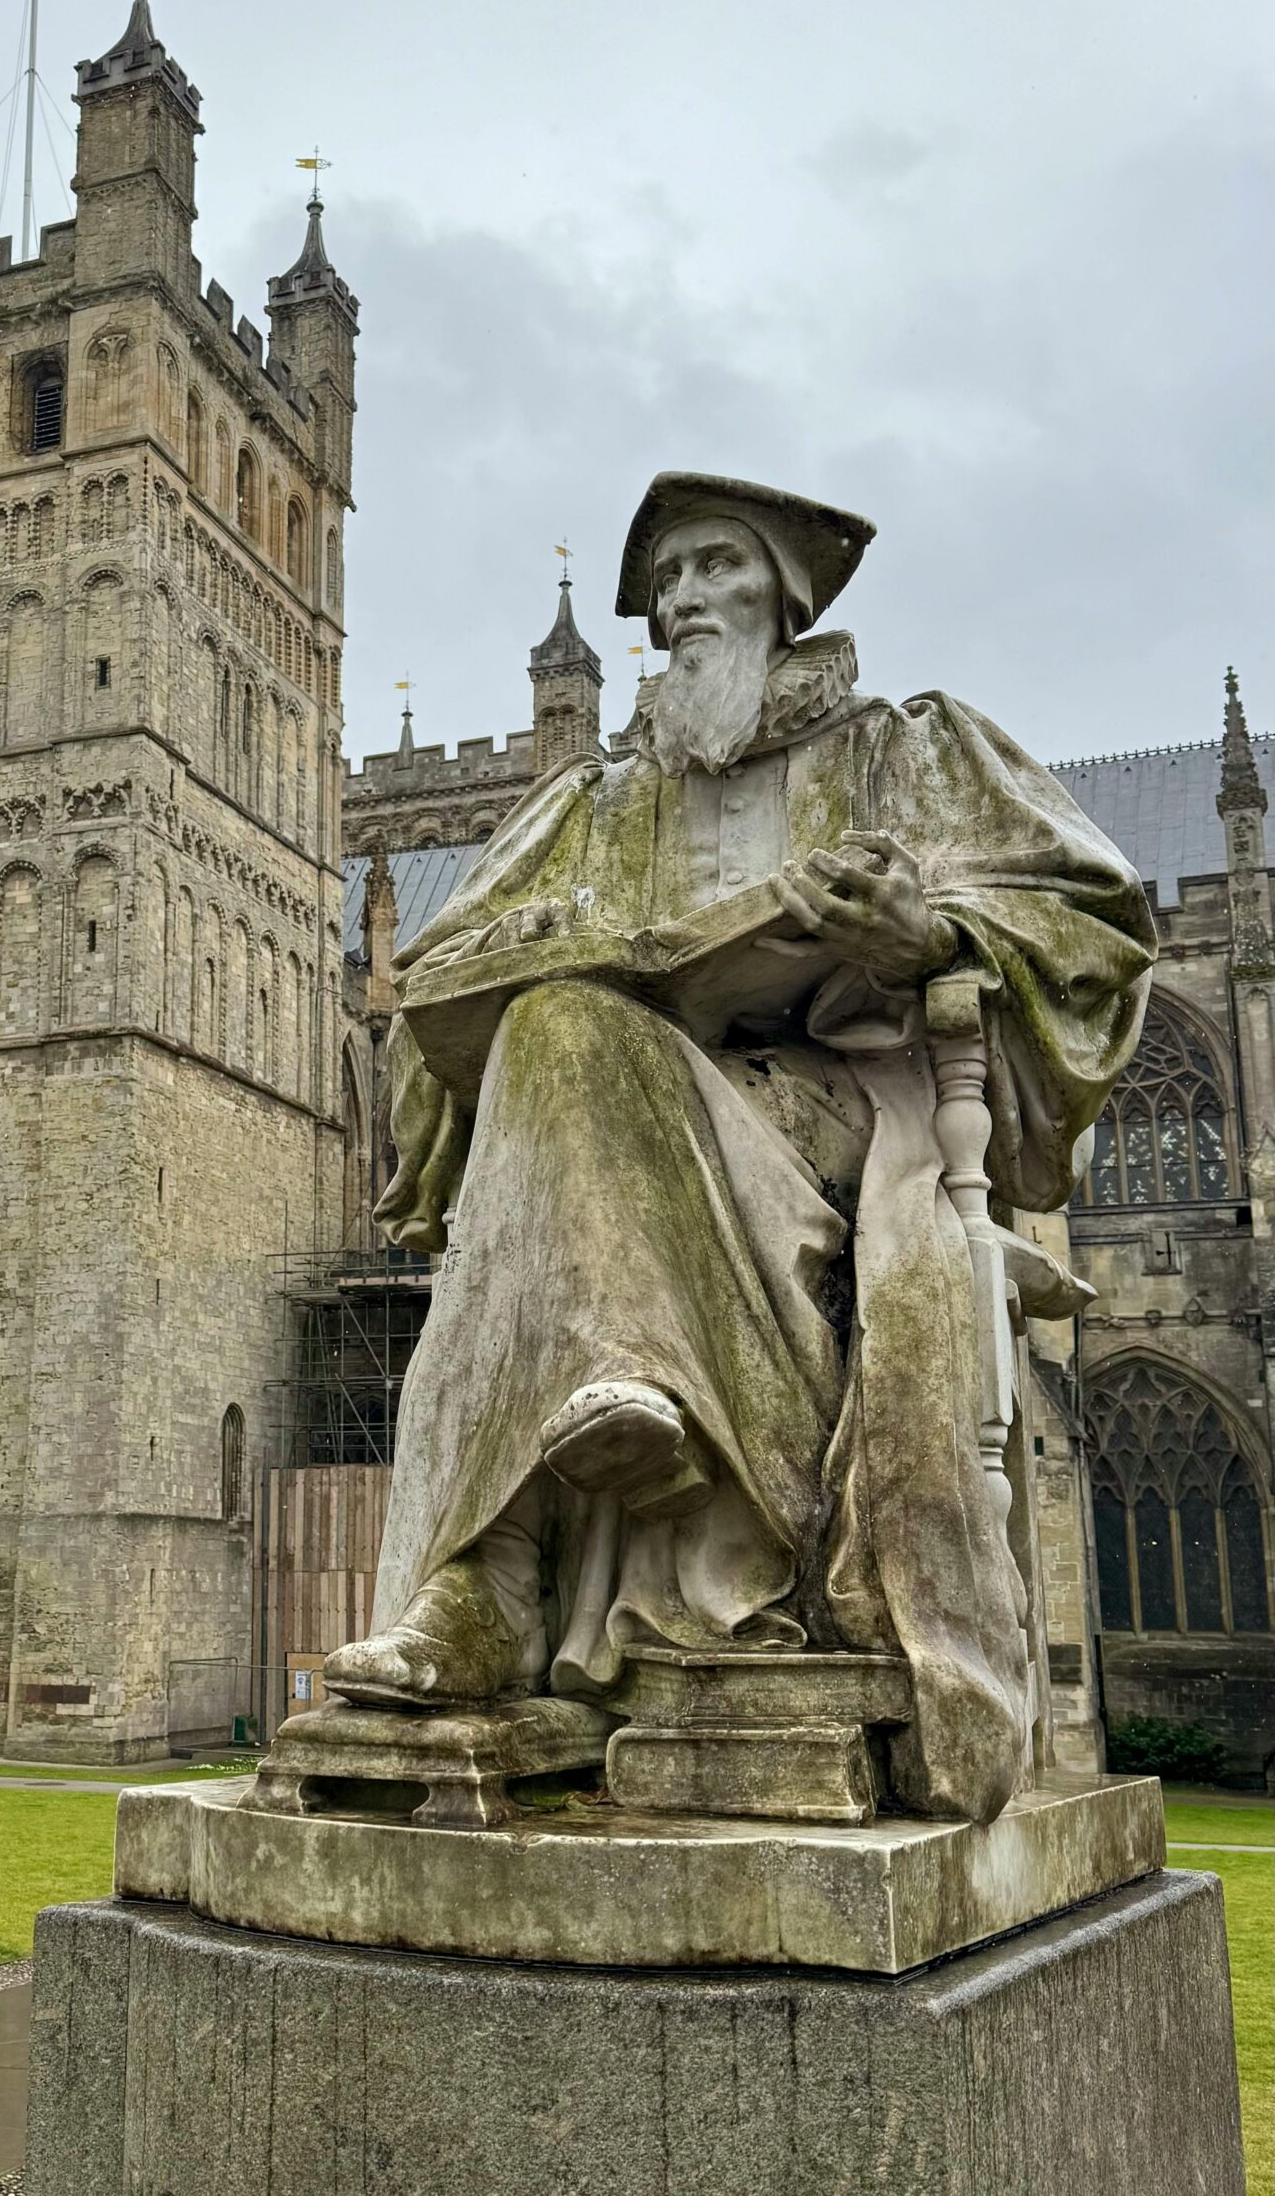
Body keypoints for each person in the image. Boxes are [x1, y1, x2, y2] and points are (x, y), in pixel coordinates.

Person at [324, 474, 1155, 1819]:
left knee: (570, 1062)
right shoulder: (595, 807)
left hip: (837, 1124)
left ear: (788, 590)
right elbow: (423, 995)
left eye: (714, 567)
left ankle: (531, 1534)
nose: (682, 602)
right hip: (610, 1129)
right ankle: (496, 1568)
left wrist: (928, 935)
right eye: (665, 586)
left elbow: (1098, 929)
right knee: (554, 1033)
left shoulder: (907, 752)